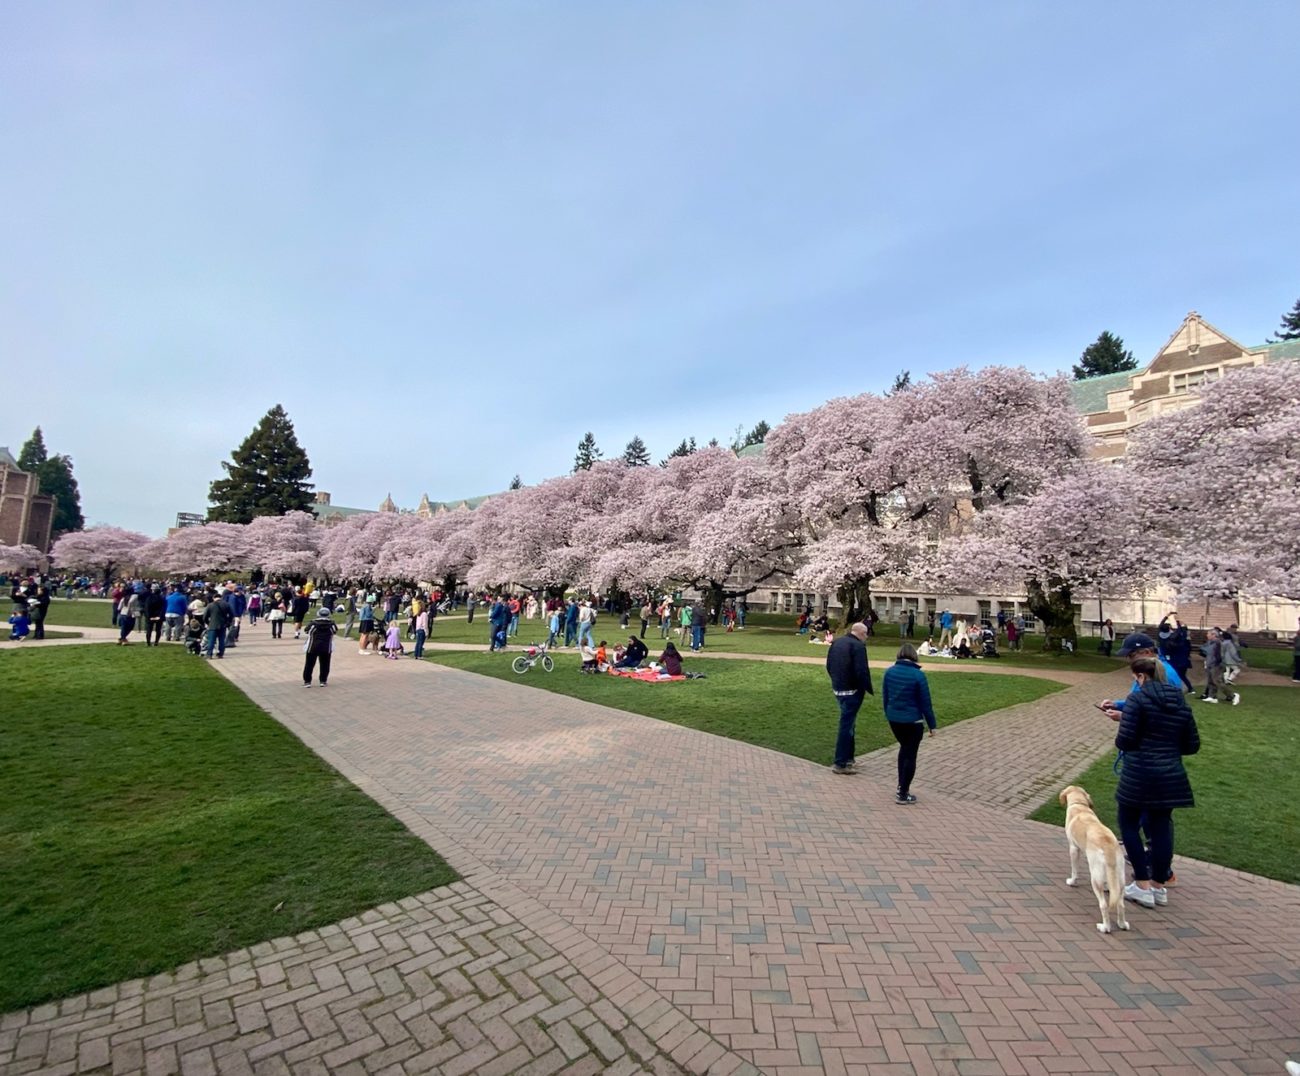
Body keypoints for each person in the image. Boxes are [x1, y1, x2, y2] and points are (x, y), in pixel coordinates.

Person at [1102, 655, 1200, 908]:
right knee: (1161, 827)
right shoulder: (1180, 701)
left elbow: (1125, 740)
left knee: (1129, 824)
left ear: (1142, 677)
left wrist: (1124, 725)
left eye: (1135, 678)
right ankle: (1159, 885)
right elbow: (1191, 744)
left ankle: (1142, 884)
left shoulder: (1138, 699)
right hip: (1171, 774)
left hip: (1140, 773)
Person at [882, 643, 937, 804]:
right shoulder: (918, 675)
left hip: (894, 719)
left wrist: (888, 713)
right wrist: (932, 725)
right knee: (910, 755)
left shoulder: (889, 672)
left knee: (904, 750)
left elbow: (886, 697)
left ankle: (901, 786)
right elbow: (925, 703)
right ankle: (903, 791)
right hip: (912, 720)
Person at [825, 622, 874, 776]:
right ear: (860, 633)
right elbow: (861, 670)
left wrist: (836, 681)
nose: (867, 637)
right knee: (846, 725)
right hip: (852, 691)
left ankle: (849, 759)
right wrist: (866, 688)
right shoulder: (858, 647)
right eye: (866, 634)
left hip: (838, 688)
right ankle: (840, 762)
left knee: (850, 723)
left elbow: (829, 665)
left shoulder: (837, 642)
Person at [1199, 628, 1239, 705]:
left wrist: (1217, 663)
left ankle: (1233, 695)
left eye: (1208, 634)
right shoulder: (1210, 643)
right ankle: (1212, 696)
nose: (1207, 635)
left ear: (1213, 635)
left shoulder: (1218, 643)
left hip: (1216, 665)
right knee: (1211, 681)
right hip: (1210, 663)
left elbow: (1219, 655)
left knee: (1217, 681)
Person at [302, 608, 337, 686]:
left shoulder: (313, 623)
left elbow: (306, 630)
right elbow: (334, 631)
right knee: (325, 664)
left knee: (309, 664)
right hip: (326, 647)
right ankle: (323, 681)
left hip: (312, 646)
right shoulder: (331, 624)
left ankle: (307, 681)